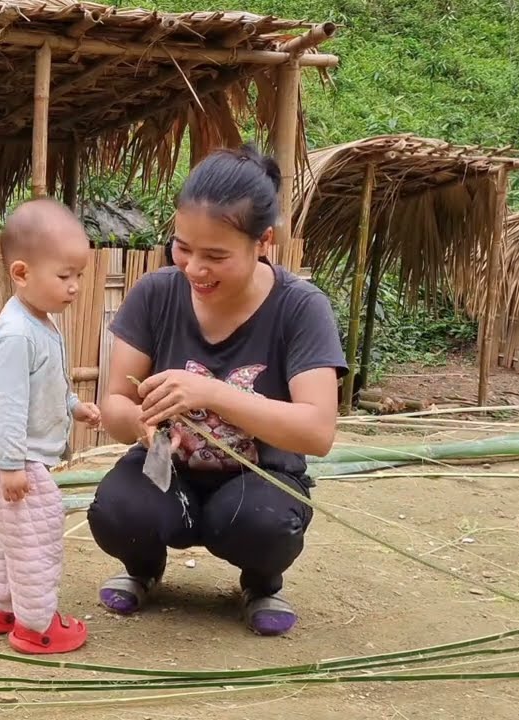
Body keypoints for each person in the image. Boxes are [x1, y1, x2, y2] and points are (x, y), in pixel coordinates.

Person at [87, 143, 347, 637]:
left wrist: (209, 393)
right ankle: (143, 568)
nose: (193, 268)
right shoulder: (156, 294)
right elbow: (116, 405)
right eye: (182, 247)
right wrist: (139, 422)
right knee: (118, 509)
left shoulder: (301, 307)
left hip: (257, 479)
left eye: (215, 255)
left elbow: (317, 431)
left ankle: (261, 581)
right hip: (170, 469)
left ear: (264, 241)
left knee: (264, 522)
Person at [0, 197, 103, 655]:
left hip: (8, 456)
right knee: (38, 538)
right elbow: (5, 403)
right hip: (8, 457)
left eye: (78, 275)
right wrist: (11, 465)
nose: (75, 286)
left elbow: (44, 386)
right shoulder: (18, 334)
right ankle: (37, 625)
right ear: (21, 273)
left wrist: (73, 405)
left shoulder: (39, 322)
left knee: (13, 534)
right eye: (65, 276)